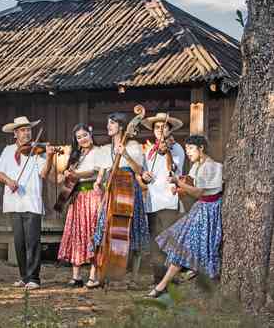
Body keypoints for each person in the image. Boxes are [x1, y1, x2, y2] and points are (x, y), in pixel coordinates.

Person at [146, 135, 222, 298]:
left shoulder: (210, 166)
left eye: (191, 148)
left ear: (201, 148)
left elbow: (199, 192)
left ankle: (163, 286)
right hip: (200, 208)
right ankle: (164, 285)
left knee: (190, 246)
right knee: (181, 244)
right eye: (186, 149)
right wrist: (180, 189)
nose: (188, 152)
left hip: (209, 211)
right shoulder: (197, 166)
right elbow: (193, 188)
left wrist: (178, 183)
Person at [0, 116, 54, 290]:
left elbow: (43, 174)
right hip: (13, 203)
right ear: (15, 133)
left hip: (32, 201)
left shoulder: (38, 151)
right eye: (22, 130)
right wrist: (9, 181)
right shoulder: (7, 150)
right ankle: (24, 276)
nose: (27, 132)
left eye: (28, 129)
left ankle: (34, 278)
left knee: (33, 242)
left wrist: (49, 157)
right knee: (19, 241)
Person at [92, 112, 150, 286]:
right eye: (108, 123)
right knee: (104, 229)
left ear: (122, 126)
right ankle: (102, 272)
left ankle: (134, 277)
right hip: (111, 192)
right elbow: (102, 173)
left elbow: (139, 170)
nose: (108, 126)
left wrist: (125, 154)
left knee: (133, 232)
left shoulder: (133, 146)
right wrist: (97, 183)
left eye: (112, 123)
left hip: (129, 191)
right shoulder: (105, 149)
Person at [140, 113, 186, 284]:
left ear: (169, 130)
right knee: (155, 241)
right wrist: (144, 176)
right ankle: (157, 277)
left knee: (167, 240)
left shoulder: (176, 149)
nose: (160, 130)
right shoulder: (149, 151)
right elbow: (144, 175)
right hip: (152, 201)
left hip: (168, 200)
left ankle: (170, 278)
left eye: (164, 127)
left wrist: (166, 151)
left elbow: (172, 169)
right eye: (157, 127)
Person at [56, 123, 102, 288]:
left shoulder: (99, 151)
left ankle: (93, 275)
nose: (83, 139)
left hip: (93, 195)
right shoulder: (76, 155)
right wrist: (66, 173)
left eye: (85, 135)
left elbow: (95, 171)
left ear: (91, 134)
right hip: (77, 196)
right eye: (79, 137)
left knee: (92, 232)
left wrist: (76, 174)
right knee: (76, 233)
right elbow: (65, 179)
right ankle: (76, 276)